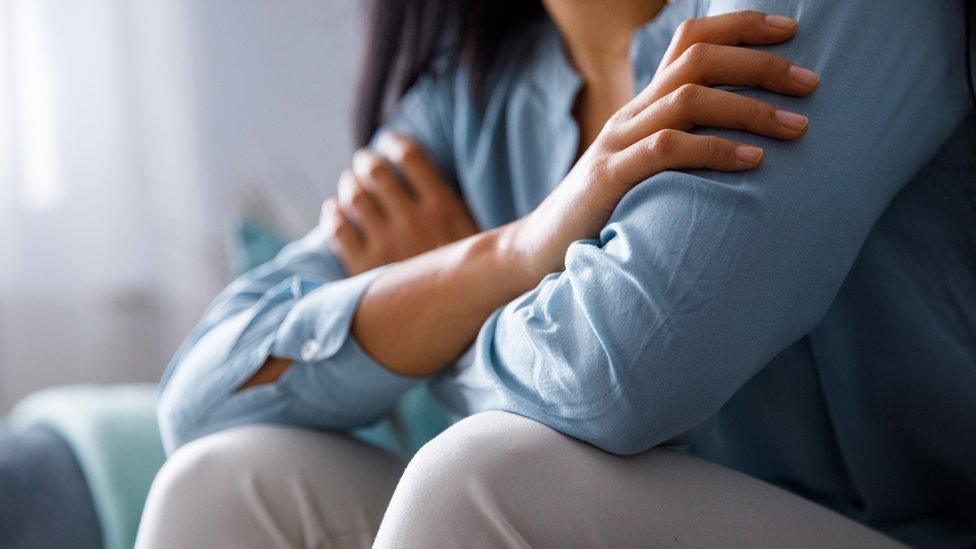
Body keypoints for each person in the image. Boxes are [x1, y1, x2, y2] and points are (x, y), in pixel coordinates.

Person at [136, 0, 975, 547]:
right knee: (226, 481)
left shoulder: (793, 19)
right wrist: (509, 251)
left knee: (480, 479)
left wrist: (433, 316)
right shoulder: (468, 100)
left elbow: (623, 374)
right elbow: (203, 399)